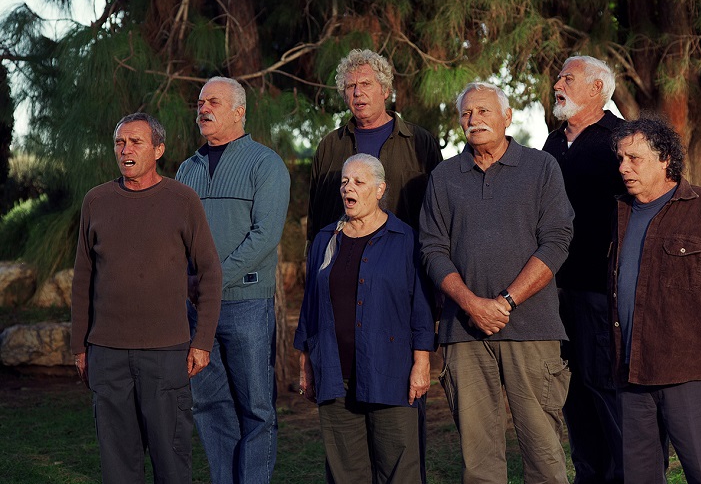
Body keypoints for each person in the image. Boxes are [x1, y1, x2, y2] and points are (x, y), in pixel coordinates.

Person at [419, 81, 574, 484]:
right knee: (479, 460)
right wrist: (473, 305)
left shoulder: (541, 168)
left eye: (484, 111)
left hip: (533, 328)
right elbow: (432, 249)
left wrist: (505, 301)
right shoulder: (444, 177)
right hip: (464, 331)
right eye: (467, 113)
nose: (474, 119)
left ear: (507, 117)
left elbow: (557, 240)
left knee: (544, 452)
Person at [71, 113, 222, 484]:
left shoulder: (183, 200)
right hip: (107, 354)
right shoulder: (96, 201)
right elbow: (82, 278)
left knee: (171, 463)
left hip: (166, 354)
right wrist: (79, 346)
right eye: (120, 143)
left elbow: (210, 273)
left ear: (158, 149)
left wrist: (202, 342)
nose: (126, 150)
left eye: (136, 142)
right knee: (118, 466)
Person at [610, 117, 701, 483]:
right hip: (630, 371)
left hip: (690, 371)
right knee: (638, 477)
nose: (623, 167)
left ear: (664, 159)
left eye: (634, 158)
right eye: (620, 158)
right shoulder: (618, 212)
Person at [176, 76, 291, 484]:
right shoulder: (186, 168)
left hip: (247, 305)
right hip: (196, 310)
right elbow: (175, 236)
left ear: (239, 111)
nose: (203, 109)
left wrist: (211, 280)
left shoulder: (265, 164)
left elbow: (265, 236)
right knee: (209, 405)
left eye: (214, 102)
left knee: (256, 409)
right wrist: (185, 282)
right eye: (200, 102)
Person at [295, 153, 435, 483]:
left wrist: (421, 363)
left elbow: (421, 309)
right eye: (345, 182)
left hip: (391, 374)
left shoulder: (405, 240)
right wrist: (306, 364)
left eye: (358, 181)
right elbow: (310, 306)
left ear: (380, 189)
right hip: (334, 374)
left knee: (399, 470)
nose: (349, 188)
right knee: (345, 472)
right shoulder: (324, 239)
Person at [542, 56, 625, 484]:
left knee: (606, 385)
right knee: (571, 389)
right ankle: (588, 475)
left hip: (603, 290)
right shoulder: (552, 143)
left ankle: (628, 474)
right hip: (555, 291)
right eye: (559, 77)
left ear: (597, 88)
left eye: (568, 78)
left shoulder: (622, 138)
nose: (557, 83)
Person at [307, 48, 442, 242]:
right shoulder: (329, 147)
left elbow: (440, 210)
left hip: (405, 255)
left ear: (385, 90)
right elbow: (315, 215)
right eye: (350, 86)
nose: (357, 92)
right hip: (342, 255)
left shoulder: (420, 142)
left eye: (365, 84)